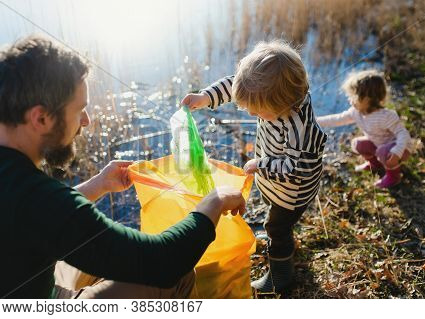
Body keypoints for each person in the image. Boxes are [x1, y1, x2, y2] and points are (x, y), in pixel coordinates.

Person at [0, 35, 246, 299]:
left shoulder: (24, 190)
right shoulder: (36, 197)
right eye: (80, 110)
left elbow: (43, 219)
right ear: (41, 118)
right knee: (177, 276)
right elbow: (164, 261)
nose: (86, 120)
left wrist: (98, 184)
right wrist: (214, 202)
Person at [181, 40, 327, 293]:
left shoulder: (297, 128)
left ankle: (281, 276)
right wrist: (205, 97)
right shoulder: (276, 94)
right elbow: (235, 85)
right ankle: (284, 240)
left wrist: (261, 164)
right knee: (275, 214)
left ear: (283, 103)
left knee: (276, 227)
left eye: (258, 111)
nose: (251, 114)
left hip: (293, 192)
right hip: (275, 183)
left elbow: (294, 168)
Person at [316, 70, 412, 188]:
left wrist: (397, 152)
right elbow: (337, 119)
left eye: (352, 96)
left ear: (367, 99)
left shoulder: (386, 116)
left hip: (399, 149)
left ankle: (394, 176)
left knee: (383, 151)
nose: (350, 100)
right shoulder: (356, 112)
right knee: (359, 144)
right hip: (379, 147)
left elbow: (403, 134)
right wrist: (314, 120)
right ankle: (375, 164)